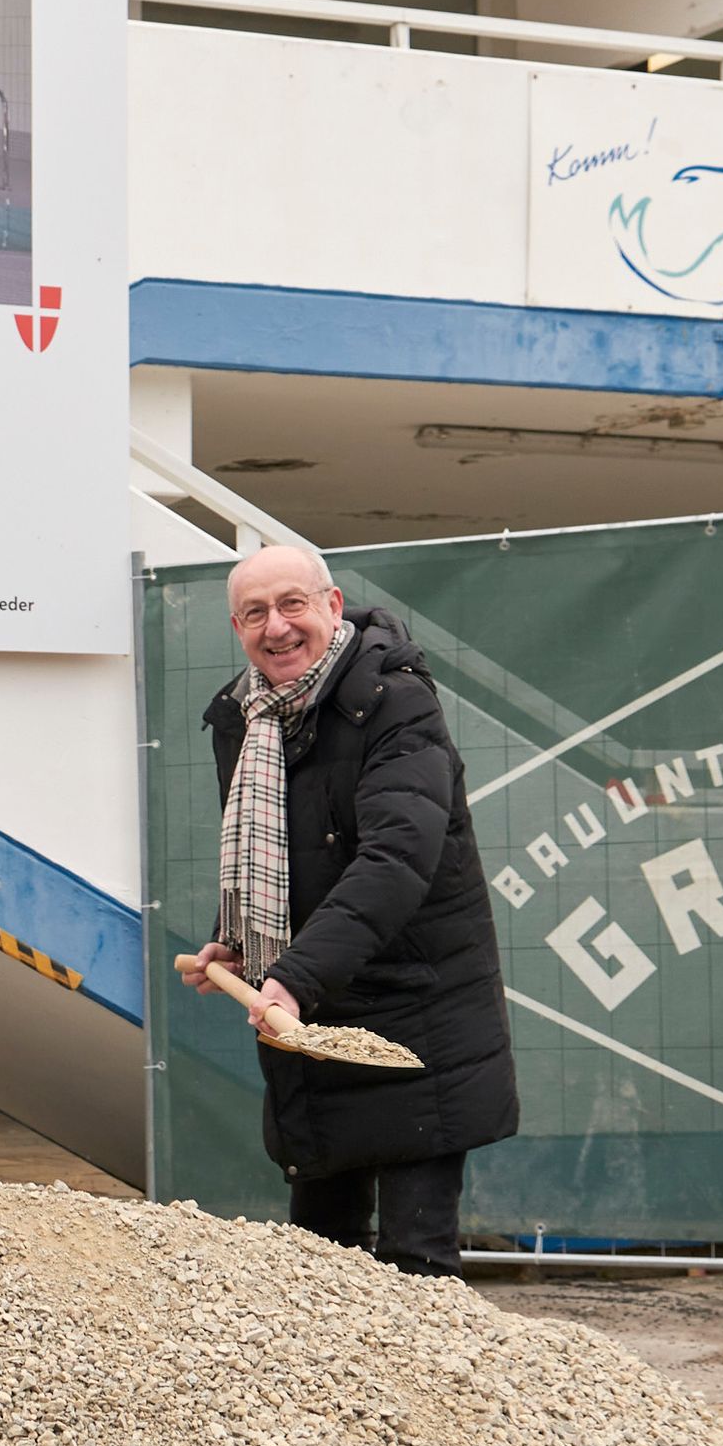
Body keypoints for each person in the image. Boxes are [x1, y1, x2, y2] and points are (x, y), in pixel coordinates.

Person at [174, 542, 517, 1276]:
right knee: (318, 1271)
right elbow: (270, 858)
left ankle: (431, 1394)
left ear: (333, 606)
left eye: (293, 604)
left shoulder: (397, 702)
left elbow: (396, 861)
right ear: (237, 627)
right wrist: (234, 940)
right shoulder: (246, 718)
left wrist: (294, 976)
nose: (277, 628)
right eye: (255, 614)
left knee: (413, 1269)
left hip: (414, 1019)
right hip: (310, 1025)